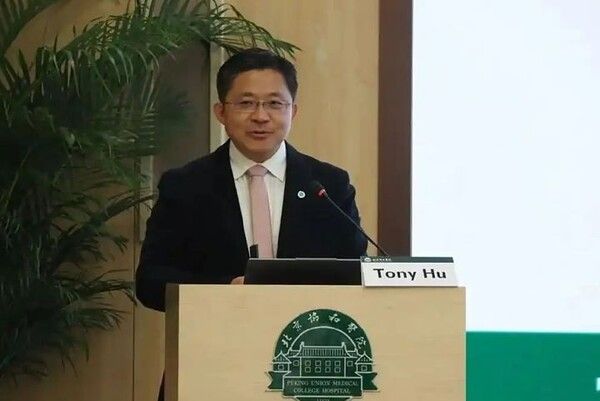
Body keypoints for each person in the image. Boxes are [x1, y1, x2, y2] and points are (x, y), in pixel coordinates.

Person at [136, 47, 367, 401]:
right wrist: (225, 290)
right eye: (246, 103)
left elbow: (355, 272)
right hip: (212, 363)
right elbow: (151, 282)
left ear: (293, 111)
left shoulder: (328, 185)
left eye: (274, 104)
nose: (261, 116)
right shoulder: (185, 185)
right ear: (221, 112)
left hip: (306, 366)